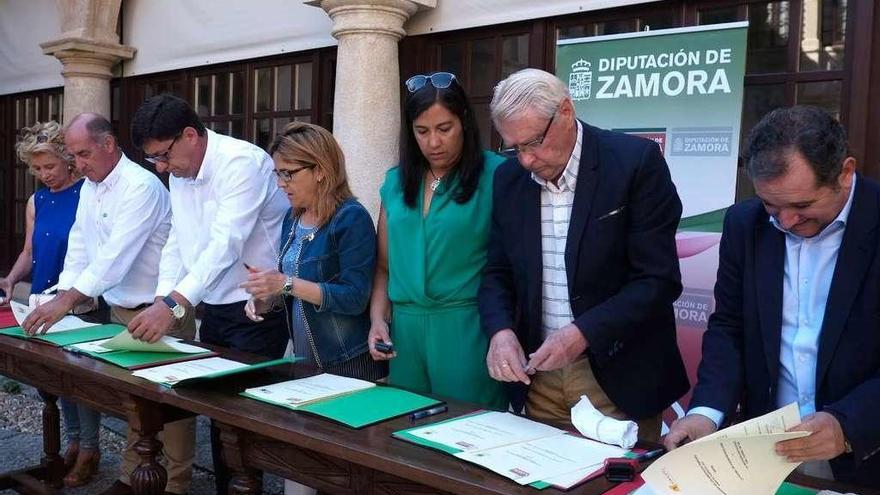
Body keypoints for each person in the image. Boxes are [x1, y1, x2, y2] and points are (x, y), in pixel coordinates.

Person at [664, 106, 880, 487]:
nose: (785, 222)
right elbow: (729, 327)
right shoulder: (745, 224)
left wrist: (850, 424)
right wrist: (707, 411)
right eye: (771, 205)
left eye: (802, 206)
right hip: (767, 454)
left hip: (866, 456)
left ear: (845, 172)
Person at [478, 68, 688, 438]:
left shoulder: (633, 162)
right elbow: (497, 271)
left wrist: (582, 333)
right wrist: (500, 331)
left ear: (566, 111)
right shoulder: (509, 179)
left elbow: (657, 280)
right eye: (515, 148)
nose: (526, 160)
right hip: (537, 376)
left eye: (534, 143)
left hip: (617, 375)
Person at [17, 114, 191, 495]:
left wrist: (64, 303)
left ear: (108, 145)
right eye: (74, 156)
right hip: (120, 309)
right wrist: (55, 296)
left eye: (82, 154)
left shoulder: (140, 186)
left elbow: (115, 258)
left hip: (162, 308)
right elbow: (80, 246)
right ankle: (131, 477)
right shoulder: (92, 186)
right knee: (134, 403)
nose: (77, 164)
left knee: (172, 406)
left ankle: (177, 485)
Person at [127, 94, 289, 495]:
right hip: (214, 305)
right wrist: (164, 297)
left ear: (189, 136)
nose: (162, 167)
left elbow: (226, 244)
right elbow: (177, 242)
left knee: (244, 419)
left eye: (164, 156)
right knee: (217, 415)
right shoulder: (179, 172)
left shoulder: (241, 162)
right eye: (154, 161)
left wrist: (174, 303)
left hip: (257, 305)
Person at [367, 72, 506, 410]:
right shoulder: (396, 182)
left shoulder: (497, 174)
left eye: (444, 129)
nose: (433, 143)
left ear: (465, 123)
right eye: (422, 131)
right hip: (406, 334)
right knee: (406, 434)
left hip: (468, 330)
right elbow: (384, 267)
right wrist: (377, 321)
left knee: (469, 437)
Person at [242, 121, 385, 380]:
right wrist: (267, 297)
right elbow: (294, 291)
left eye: (289, 173)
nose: (280, 184)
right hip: (304, 359)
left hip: (347, 361)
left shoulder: (351, 218)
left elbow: (355, 298)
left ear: (320, 170)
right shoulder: (292, 218)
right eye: (277, 174)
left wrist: (285, 284)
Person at [3, 121, 98, 488]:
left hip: (78, 300)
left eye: (50, 167)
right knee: (59, 381)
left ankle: (90, 448)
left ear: (68, 161)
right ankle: (73, 441)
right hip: (42, 299)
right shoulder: (36, 199)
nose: (44, 176)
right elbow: (29, 250)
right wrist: (11, 279)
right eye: (37, 169)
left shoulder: (87, 193)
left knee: (82, 382)